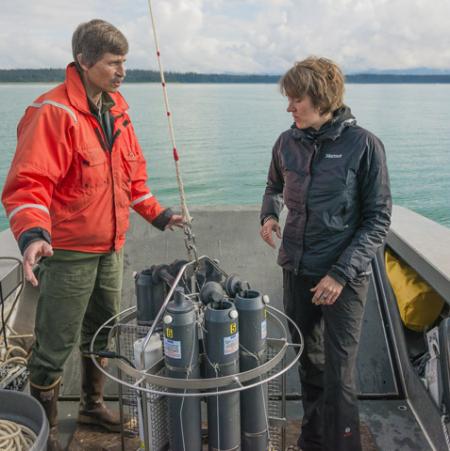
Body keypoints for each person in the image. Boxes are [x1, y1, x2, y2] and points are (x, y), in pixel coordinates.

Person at [1, 19, 183, 450]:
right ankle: (43, 426)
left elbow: (131, 175)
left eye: (124, 62)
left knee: (101, 332)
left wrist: (158, 213)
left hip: (110, 248)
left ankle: (91, 406)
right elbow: (28, 184)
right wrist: (32, 236)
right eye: (112, 62)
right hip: (66, 252)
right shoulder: (52, 112)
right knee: (54, 342)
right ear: (84, 60)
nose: (121, 71)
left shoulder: (117, 107)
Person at [260, 56, 392, 451]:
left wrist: (339, 274)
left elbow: (378, 220)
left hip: (344, 280)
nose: (289, 107)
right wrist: (268, 216)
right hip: (297, 271)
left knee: (340, 374)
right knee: (308, 363)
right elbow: (272, 187)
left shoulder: (365, 145)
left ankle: (343, 444)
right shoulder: (286, 142)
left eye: (295, 99)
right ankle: (313, 440)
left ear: (320, 98)